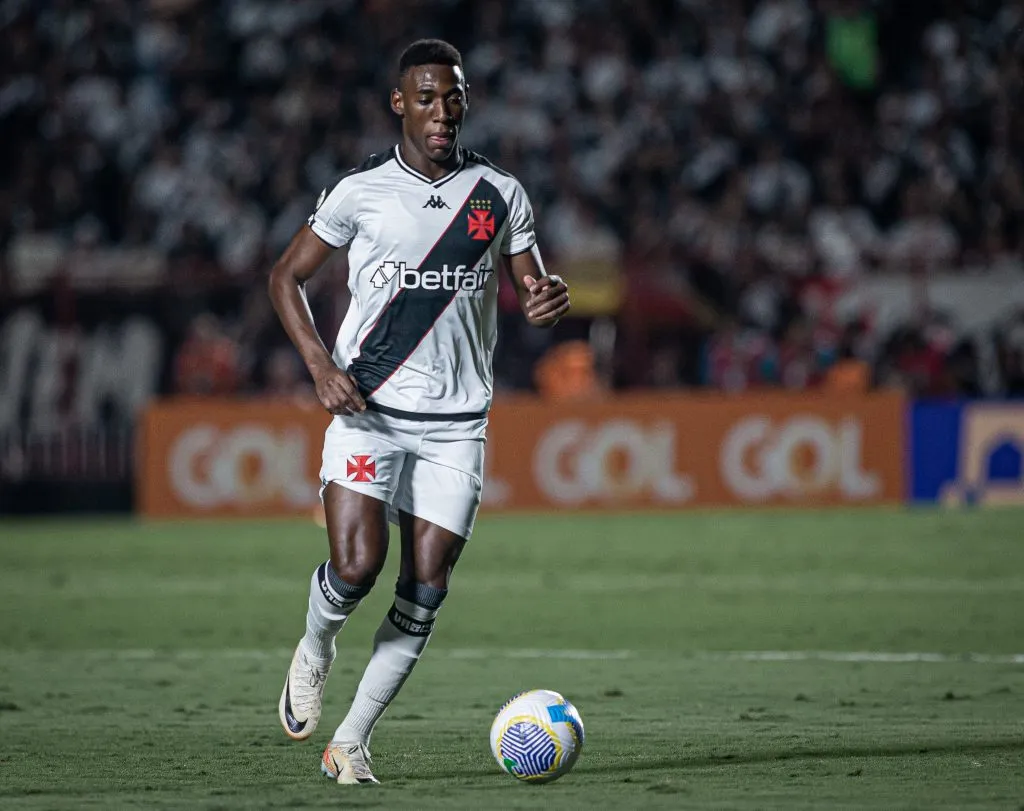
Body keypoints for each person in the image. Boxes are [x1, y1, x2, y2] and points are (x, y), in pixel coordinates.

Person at [267, 39, 570, 785]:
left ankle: (352, 742)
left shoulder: (499, 193)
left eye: (453, 97)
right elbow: (284, 277)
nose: (442, 112)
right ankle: (315, 645)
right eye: (427, 98)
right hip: (369, 409)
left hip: (457, 426)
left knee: (425, 588)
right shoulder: (360, 191)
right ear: (399, 103)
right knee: (356, 567)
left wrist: (545, 300)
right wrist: (320, 367)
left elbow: (533, 285)